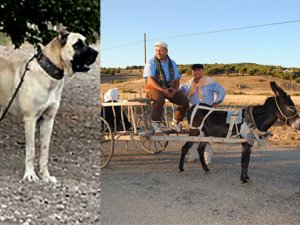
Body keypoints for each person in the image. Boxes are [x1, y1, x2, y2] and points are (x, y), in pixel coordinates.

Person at [179, 64, 226, 163]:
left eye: (198, 70)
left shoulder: (209, 82)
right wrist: (182, 91)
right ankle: (194, 154)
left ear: (202, 71)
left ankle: (207, 157)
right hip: (194, 114)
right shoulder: (189, 83)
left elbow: (221, 90)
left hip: (207, 112)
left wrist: (216, 102)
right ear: (192, 72)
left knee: (207, 134)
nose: (196, 72)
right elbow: (182, 89)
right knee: (194, 134)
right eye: (194, 70)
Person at [143, 41, 189, 133]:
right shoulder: (151, 62)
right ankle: (156, 124)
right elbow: (150, 79)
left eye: (160, 50)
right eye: (156, 50)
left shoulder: (172, 63)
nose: (158, 52)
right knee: (159, 99)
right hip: (154, 88)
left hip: (169, 88)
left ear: (166, 51)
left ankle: (175, 122)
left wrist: (175, 90)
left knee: (184, 101)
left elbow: (177, 79)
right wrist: (163, 90)